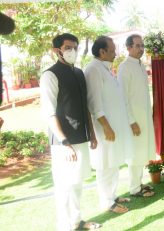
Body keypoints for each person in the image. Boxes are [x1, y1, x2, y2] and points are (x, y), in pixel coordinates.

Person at [40, 33, 101, 230]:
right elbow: (49, 113)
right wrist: (65, 143)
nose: (72, 51)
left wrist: (91, 133)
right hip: (63, 142)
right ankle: (64, 226)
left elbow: (85, 107)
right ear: (56, 51)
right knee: (64, 185)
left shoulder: (78, 73)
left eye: (74, 47)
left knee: (77, 183)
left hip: (81, 137)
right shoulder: (50, 75)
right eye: (67, 47)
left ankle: (77, 221)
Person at [85, 36, 136, 214]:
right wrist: (106, 126)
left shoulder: (104, 68)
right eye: (113, 50)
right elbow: (94, 103)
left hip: (114, 126)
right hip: (105, 128)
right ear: (102, 51)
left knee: (113, 162)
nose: (116, 53)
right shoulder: (93, 70)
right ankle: (106, 202)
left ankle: (112, 196)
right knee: (105, 164)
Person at [117, 34, 156, 197]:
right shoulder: (125, 67)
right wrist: (131, 121)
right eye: (137, 45)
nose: (141, 49)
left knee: (142, 150)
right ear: (129, 47)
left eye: (142, 45)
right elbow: (123, 97)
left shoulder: (140, 65)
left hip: (144, 116)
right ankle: (134, 188)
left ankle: (139, 183)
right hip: (133, 119)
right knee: (134, 152)